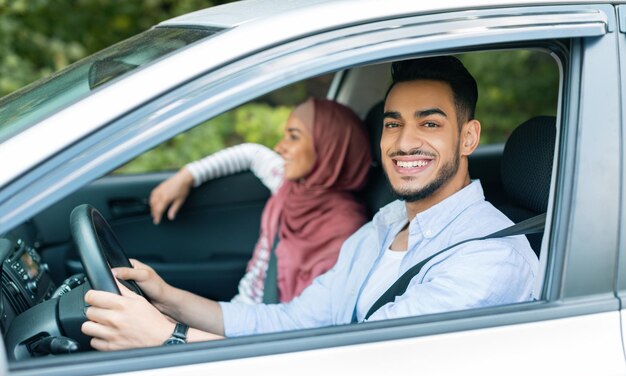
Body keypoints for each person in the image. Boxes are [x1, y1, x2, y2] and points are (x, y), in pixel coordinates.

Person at [82, 56, 538, 350]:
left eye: (431, 124)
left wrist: (168, 338)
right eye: (393, 124)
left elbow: (356, 369)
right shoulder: (386, 223)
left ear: (469, 137)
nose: (405, 142)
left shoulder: (488, 258)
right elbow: (295, 320)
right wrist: (171, 299)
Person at [149, 98, 372, 304]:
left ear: (329, 147)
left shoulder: (347, 230)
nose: (279, 147)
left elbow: (311, 315)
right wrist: (188, 175)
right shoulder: (288, 185)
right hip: (240, 309)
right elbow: (252, 153)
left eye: (293, 137)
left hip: (265, 334)